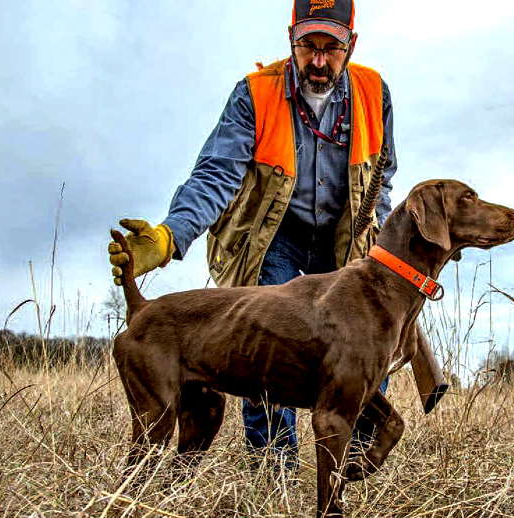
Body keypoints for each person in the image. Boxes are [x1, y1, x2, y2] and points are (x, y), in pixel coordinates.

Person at [109, 0, 396, 470]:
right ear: (291, 40)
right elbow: (216, 175)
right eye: (308, 46)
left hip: (345, 241)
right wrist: (168, 237)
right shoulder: (254, 93)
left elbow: (383, 177)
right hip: (271, 236)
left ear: (351, 45)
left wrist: (382, 252)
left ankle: (353, 470)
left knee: (364, 353)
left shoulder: (374, 91)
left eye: (331, 47)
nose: (319, 60)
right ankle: (272, 474)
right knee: (264, 346)